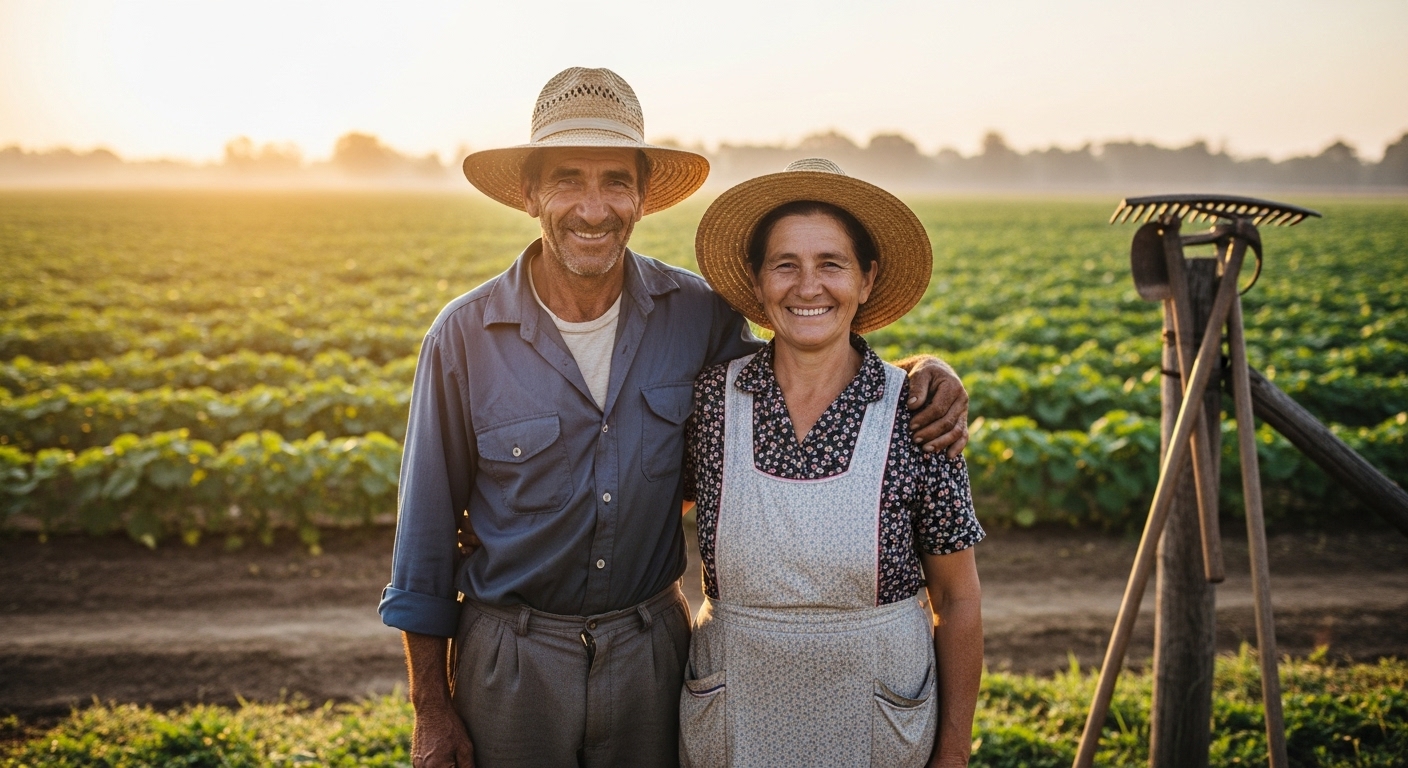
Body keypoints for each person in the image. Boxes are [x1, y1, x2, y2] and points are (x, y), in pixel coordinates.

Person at [378, 68, 971, 768]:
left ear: (641, 198)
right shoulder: (464, 337)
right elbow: (422, 546)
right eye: (568, 178)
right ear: (532, 193)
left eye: (615, 182)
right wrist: (431, 708)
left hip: (651, 647)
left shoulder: (697, 316)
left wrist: (927, 370)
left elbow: (808, 363)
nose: (593, 208)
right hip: (511, 653)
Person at [680, 158, 985, 767]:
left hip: (876, 719)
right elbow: (640, 501)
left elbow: (958, 600)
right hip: (735, 716)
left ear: (867, 279)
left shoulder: (919, 411)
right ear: (759, 280)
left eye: (831, 264)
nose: (807, 286)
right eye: (785, 264)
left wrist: (952, 750)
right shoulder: (712, 399)